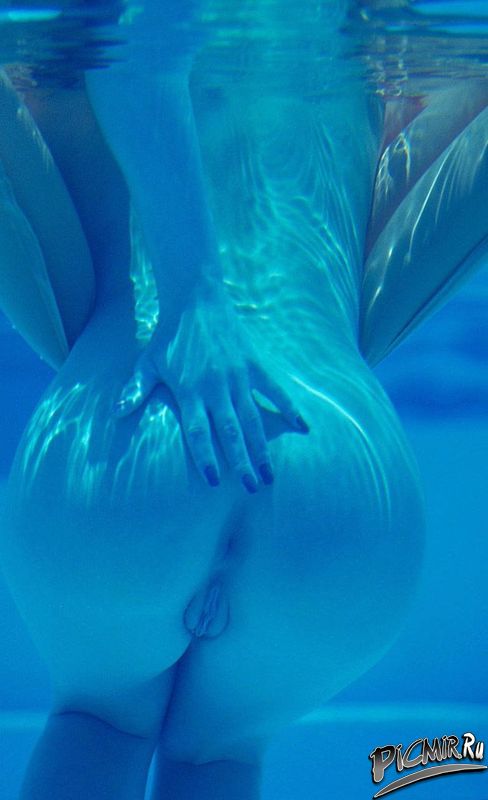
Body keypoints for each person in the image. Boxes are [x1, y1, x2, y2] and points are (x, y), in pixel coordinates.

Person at [0, 2, 485, 798]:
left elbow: (141, 41)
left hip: (128, 441)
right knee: (217, 756)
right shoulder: (361, 53)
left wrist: (193, 299)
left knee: (100, 723)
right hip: (343, 476)